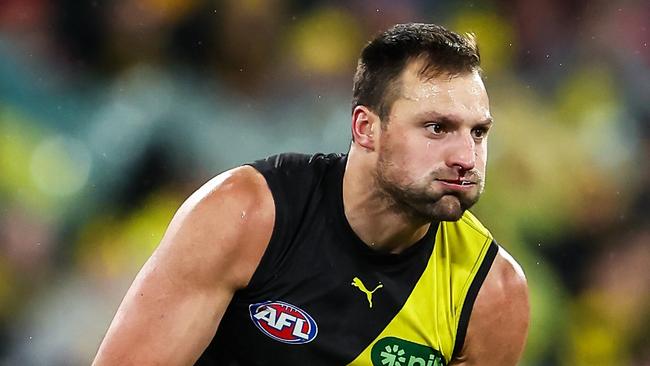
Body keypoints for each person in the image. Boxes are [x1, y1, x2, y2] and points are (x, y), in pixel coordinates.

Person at [92, 23, 529, 366]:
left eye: (478, 132)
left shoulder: (492, 292)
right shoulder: (245, 214)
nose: (466, 157)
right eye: (437, 128)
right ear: (365, 129)